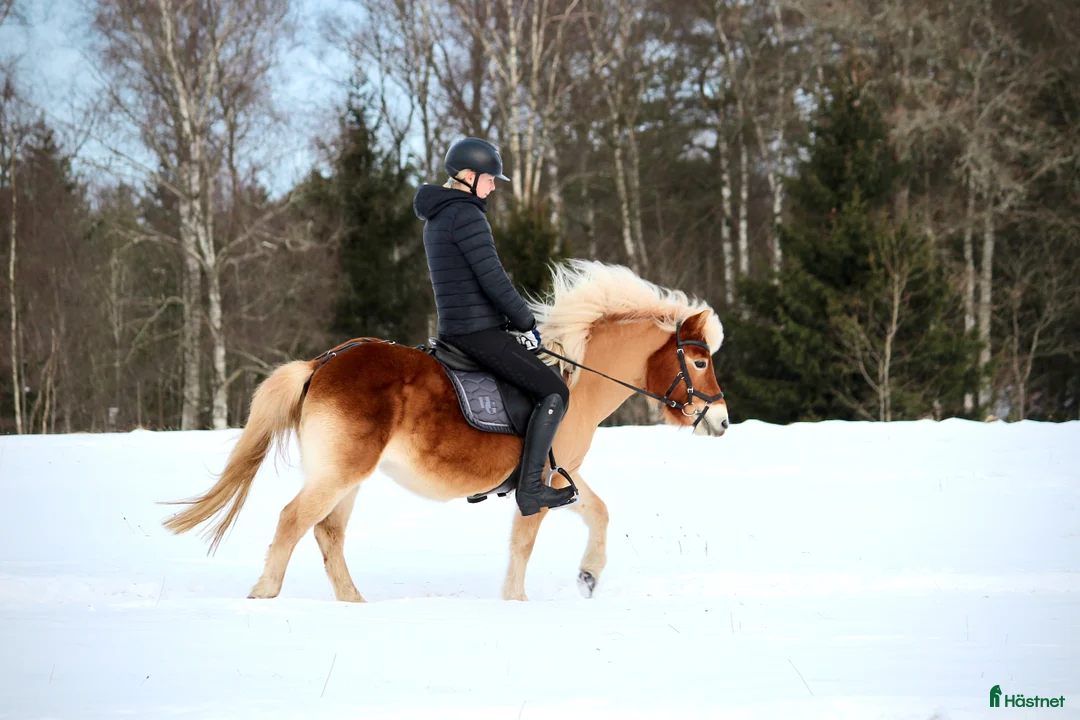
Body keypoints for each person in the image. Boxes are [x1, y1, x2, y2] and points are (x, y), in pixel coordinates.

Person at [412, 137, 577, 516]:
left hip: (459, 328)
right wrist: (525, 322)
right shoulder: (467, 215)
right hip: (477, 333)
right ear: (468, 176)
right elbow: (493, 279)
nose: (493, 187)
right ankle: (531, 488)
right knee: (554, 391)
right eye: (489, 179)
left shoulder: (439, 216)